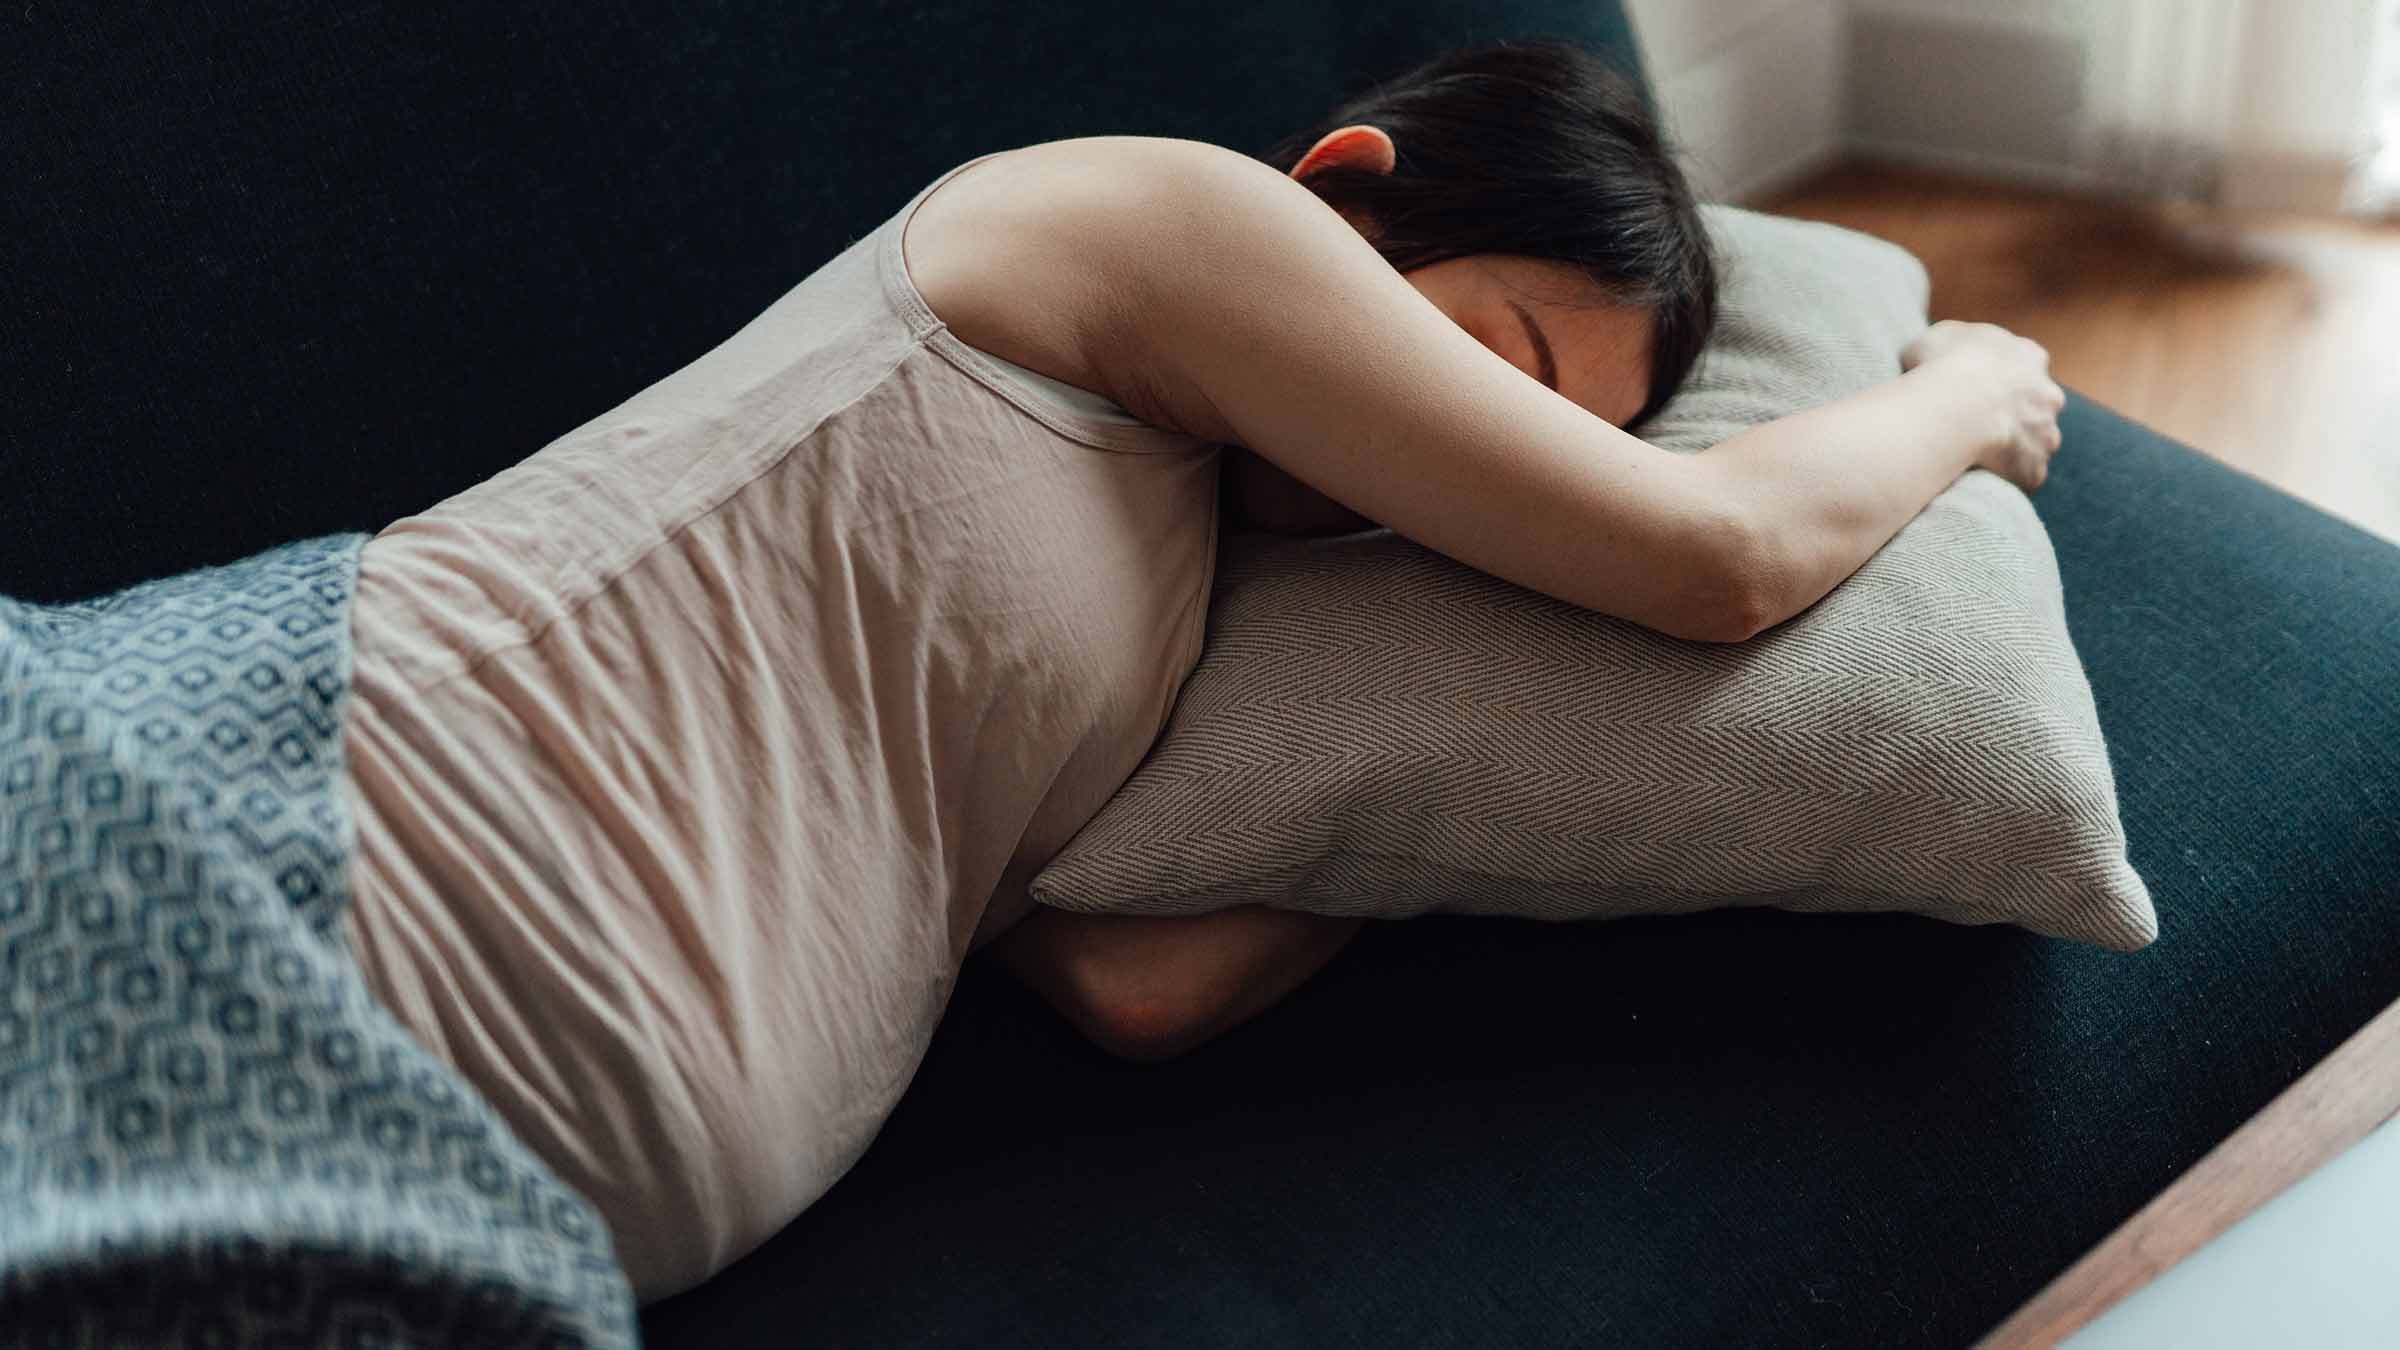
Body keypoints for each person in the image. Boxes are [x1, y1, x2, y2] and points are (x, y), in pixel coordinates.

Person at [331, 38, 2065, 1303]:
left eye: (1557, 443)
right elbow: (1717, 554)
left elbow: (1135, 978)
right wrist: (1970, 392)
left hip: (496, 1191)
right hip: (354, 811)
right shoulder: (1168, 220)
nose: (1483, 474)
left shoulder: (1173, 584)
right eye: (1491, 369)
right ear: (1348, 181)